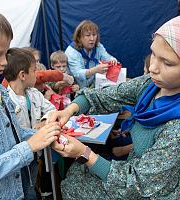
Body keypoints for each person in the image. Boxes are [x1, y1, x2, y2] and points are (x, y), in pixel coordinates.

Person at [48, 16, 180, 199]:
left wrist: (85, 153)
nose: (153, 68)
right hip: (133, 173)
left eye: (167, 63)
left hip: (148, 190)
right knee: (76, 175)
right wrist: (69, 111)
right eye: (154, 55)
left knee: (75, 184)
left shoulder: (176, 128)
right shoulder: (149, 85)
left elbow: (138, 183)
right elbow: (102, 96)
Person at [0, 4, 61, 200]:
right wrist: (30, 147)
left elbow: (13, 133)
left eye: (5, 54)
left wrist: (42, 135)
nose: (5, 63)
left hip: (23, 187)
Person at [65, 20, 118, 88]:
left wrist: (113, 61)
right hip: (76, 89)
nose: (92, 38)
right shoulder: (72, 51)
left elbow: (108, 58)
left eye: (94, 35)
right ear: (79, 37)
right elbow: (77, 74)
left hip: (95, 86)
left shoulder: (98, 46)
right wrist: (94, 70)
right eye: (88, 35)